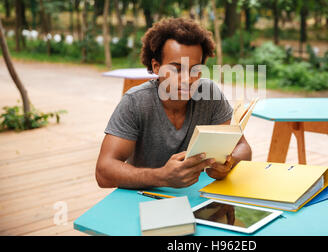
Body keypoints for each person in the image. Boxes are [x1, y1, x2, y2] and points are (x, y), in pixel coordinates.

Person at [95, 17, 252, 189]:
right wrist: (162, 177)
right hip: (143, 198)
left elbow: (243, 147)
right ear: (156, 67)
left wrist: (229, 162)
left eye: (195, 70)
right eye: (176, 69)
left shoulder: (209, 95)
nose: (187, 79)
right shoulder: (135, 102)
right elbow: (103, 173)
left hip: (198, 197)